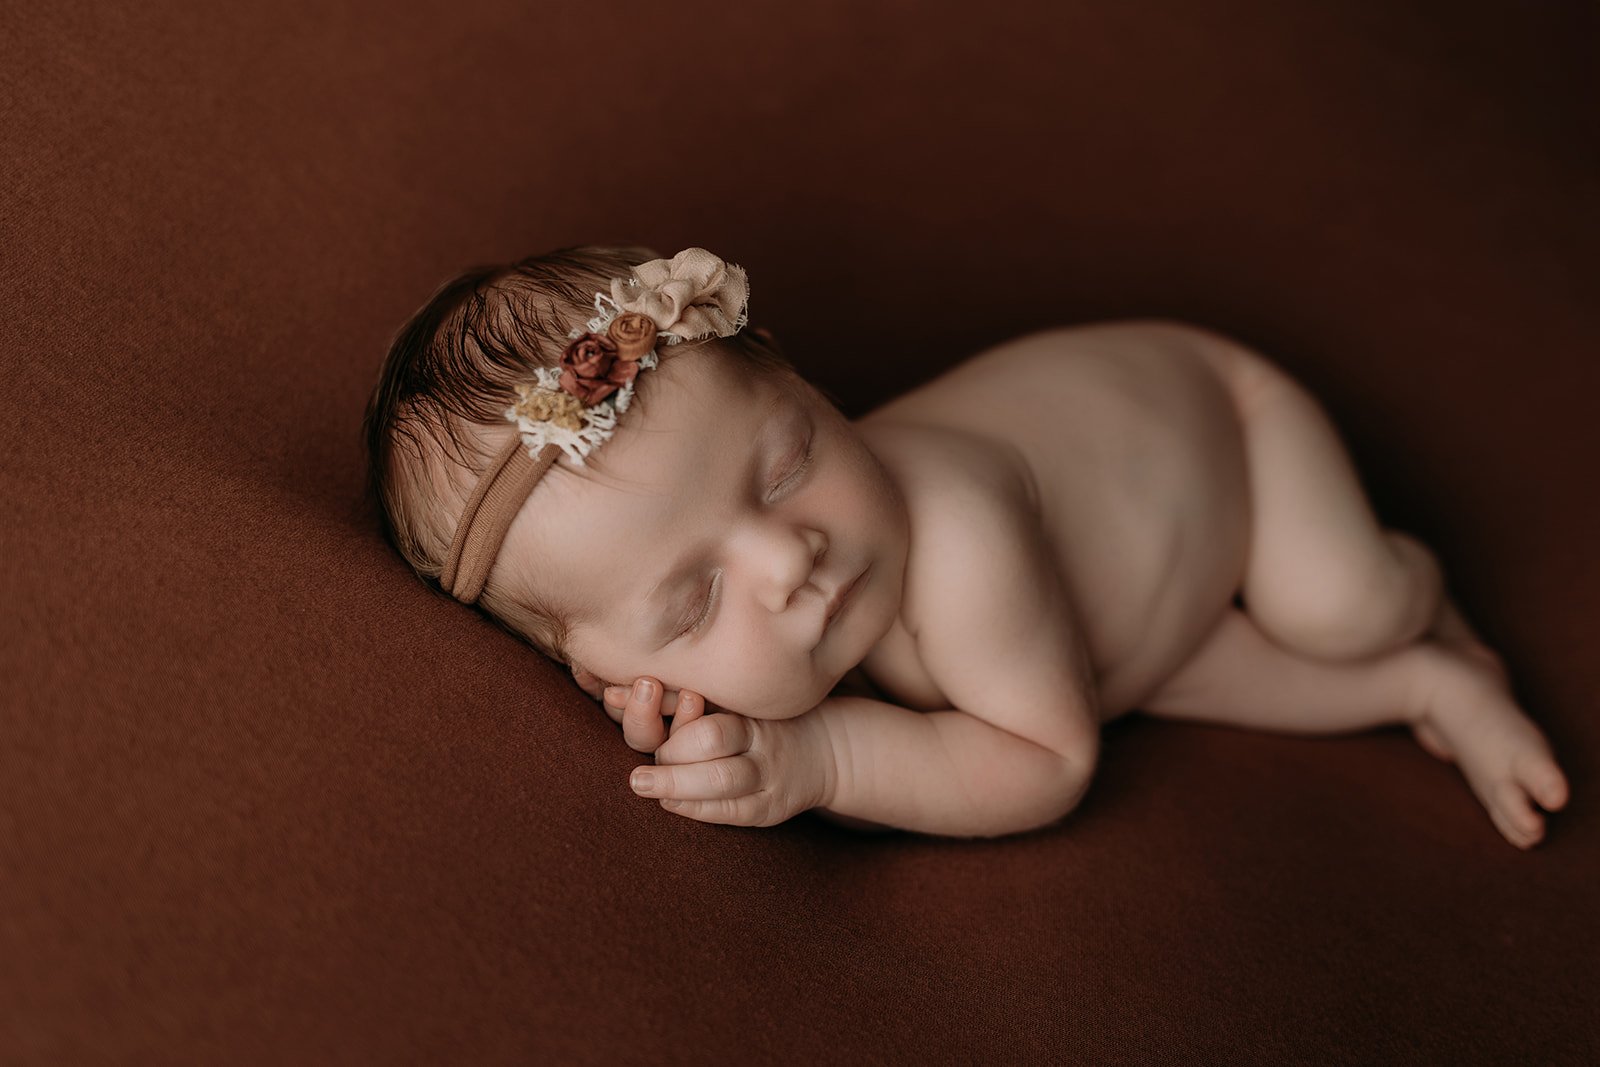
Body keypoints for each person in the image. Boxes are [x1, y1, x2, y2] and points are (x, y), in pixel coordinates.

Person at [363, 244, 1569, 845]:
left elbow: (1047, 759)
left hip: (1227, 429)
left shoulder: (958, 538)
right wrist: (685, 702)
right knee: (1202, 667)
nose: (791, 558)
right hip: (1124, 625)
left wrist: (820, 758)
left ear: (807, 383)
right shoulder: (775, 597)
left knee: (1335, 604)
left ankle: (1417, 606)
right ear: (598, 665)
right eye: (691, 604)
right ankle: (1426, 683)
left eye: (786, 464)